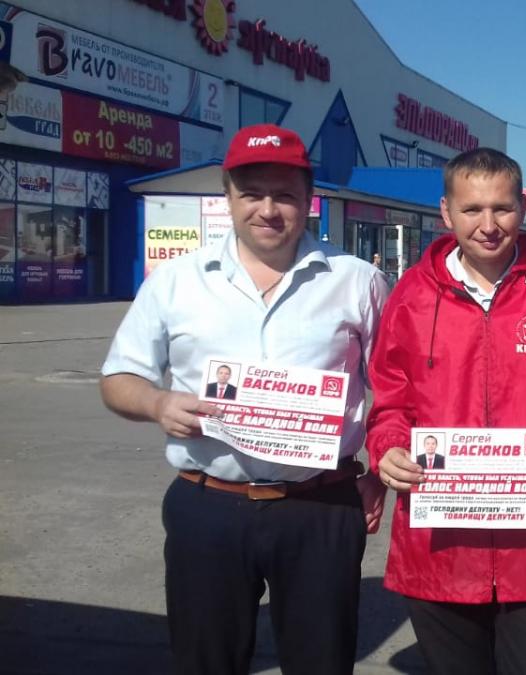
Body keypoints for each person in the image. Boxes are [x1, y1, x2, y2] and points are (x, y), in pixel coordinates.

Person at [99, 123, 390, 675]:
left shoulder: (358, 281)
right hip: (207, 503)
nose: (268, 210)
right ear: (228, 196)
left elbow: (396, 390)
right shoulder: (176, 281)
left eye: (284, 195)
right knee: (205, 660)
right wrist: (158, 404)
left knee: (322, 662)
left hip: (320, 506)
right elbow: (119, 378)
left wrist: (379, 473)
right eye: (252, 193)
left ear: (309, 199)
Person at [367, 148, 526, 675]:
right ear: (446, 212)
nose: (489, 225)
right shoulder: (411, 294)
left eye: (502, 208)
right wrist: (389, 450)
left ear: (523, 207)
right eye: (472, 209)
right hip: (439, 552)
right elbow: (389, 400)